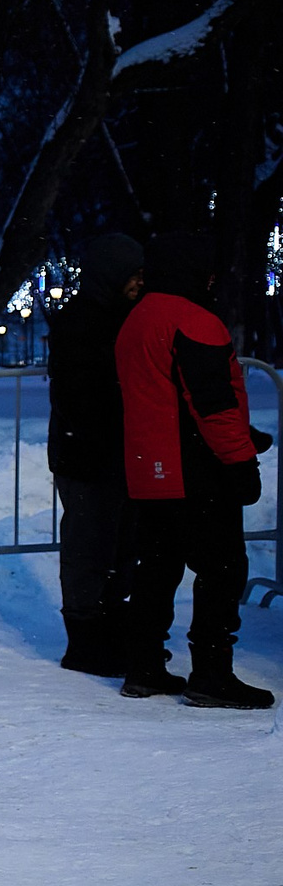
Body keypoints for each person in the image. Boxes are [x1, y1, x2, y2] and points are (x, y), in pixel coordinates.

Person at [115, 233, 275, 709]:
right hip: (196, 471)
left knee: (156, 569)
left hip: (149, 468)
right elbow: (212, 406)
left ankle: (143, 667)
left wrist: (245, 437)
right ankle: (211, 675)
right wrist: (242, 460)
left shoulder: (136, 319)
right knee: (222, 570)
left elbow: (163, 398)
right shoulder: (194, 321)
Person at [47, 233, 145, 676]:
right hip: (88, 454)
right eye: (133, 275)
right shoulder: (82, 322)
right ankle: (85, 640)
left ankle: (107, 628)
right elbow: (78, 395)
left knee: (120, 542)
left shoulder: (122, 317)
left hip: (112, 450)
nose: (139, 283)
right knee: (90, 546)